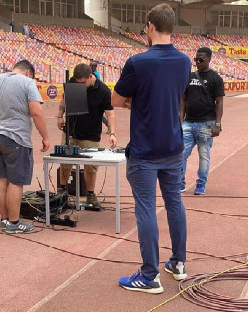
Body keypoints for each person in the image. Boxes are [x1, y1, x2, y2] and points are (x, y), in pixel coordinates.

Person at [111, 3, 191, 293]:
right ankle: (178, 263)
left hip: (145, 150)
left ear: (150, 26)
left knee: (146, 210)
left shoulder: (138, 62)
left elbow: (116, 101)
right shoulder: (184, 61)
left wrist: (137, 101)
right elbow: (171, 95)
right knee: (174, 204)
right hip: (173, 146)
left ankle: (149, 276)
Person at [0, 60, 50, 234]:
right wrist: (45, 137)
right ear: (28, 72)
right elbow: (36, 111)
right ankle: (14, 222)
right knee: (16, 181)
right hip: (15, 138)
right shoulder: (27, 82)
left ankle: (4, 220)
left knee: (0, 179)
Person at [57, 63, 117, 207]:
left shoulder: (103, 90)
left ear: (90, 76)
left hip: (91, 135)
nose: (79, 86)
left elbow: (110, 114)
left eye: (82, 83)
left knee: (91, 167)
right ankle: (62, 192)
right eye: (77, 83)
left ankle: (90, 194)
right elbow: (64, 98)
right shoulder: (73, 82)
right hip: (70, 132)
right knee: (65, 163)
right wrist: (60, 115)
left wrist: (112, 133)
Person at [180, 47, 224, 195]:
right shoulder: (190, 77)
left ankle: (200, 184)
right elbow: (183, 100)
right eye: (196, 59)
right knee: (181, 154)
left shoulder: (215, 78)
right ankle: (180, 183)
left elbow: (220, 103)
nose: (197, 62)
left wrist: (217, 124)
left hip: (206, 123)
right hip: (188, 123)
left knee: (203, 156)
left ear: (209, 59)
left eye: (201, 59)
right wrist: (180, 121)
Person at [89, 61, 109, 134]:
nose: (89, 66)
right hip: (95, 95)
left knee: (98, 114)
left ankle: (108, 126)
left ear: (94, 67)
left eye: (90, 65)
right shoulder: (95, 73)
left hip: (95, 96)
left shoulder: (94, 74)